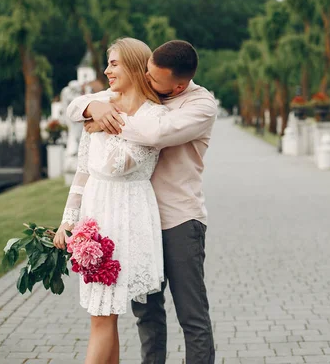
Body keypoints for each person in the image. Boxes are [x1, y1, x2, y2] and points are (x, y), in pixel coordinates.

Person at [66, 40, 217, 364]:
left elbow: (155, 134)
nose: (148, 81)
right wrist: (93, 107)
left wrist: (104, 117)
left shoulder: (201, 105)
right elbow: (76, 105)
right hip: (137, 222)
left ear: (179, 84)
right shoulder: (148, 94)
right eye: (146, 73)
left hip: (178, 220)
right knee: (147, 315)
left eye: (155, 79)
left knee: (192, 317)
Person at [53, 37, 169, 364]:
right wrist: (69, 220)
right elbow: (83, 171)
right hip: (96, 215)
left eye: (114, 63)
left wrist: (105, 120)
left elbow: (116, 166)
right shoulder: (102, 103)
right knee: (101, 314)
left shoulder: (152, 116)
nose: (106, 71)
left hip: (127, 216)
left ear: (134, 65)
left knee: (104, 314)